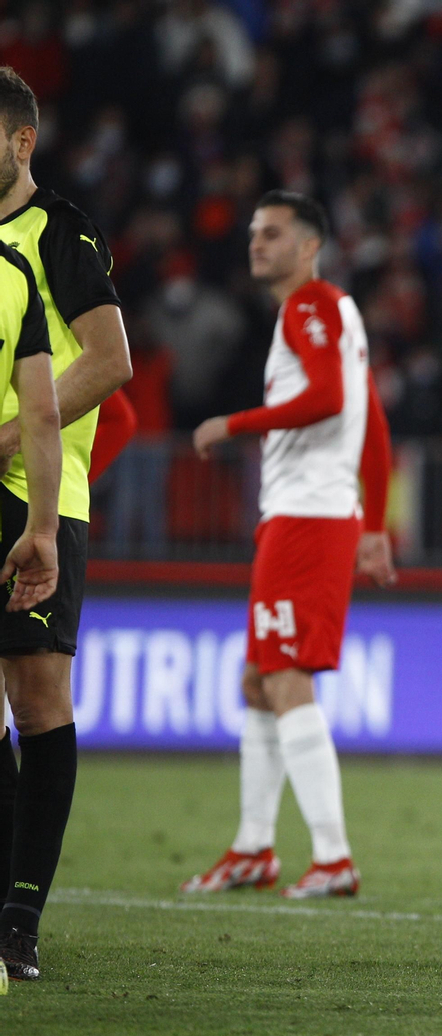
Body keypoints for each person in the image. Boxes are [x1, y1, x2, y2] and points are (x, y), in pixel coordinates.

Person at [182, 191, 395, 900]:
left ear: (309, 246)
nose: (257, 244)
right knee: (257, 678)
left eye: (272, 233)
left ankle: (333, 857)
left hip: (306, 515)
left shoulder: (308, 306)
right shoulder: (338, 313)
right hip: (317, 515)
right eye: (253, 233)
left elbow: (332, 399)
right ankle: (252, 848)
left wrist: (232, 424)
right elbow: (373, 420)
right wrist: (373, 526)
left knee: (284, 678)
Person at [0, 65, 131, 983]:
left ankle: (21, 918)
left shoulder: (59, 229)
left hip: (39, 491)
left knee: (38, 702)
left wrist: (10, 434)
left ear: (20, 141)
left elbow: (112, 360)